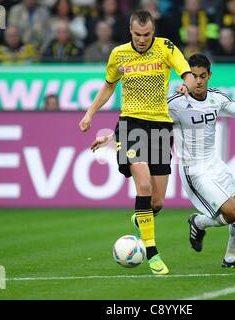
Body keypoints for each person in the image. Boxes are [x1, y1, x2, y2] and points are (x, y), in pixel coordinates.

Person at [90, 54, 235, 268]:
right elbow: (141, 120)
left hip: (216, 165)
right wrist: (110, 137)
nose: (198, 81)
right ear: (186, 77)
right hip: (194, 170)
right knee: (232, 213)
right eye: (193, 76)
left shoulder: (217, 98)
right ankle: (198, 221)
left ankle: (231, 258)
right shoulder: (175, 103)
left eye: (202, 76)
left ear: (209, 76)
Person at [79, 10, 196, 275]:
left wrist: (186, 85)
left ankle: (140, 218)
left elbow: (186, 72)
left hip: (160, 127)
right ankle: (152, 253)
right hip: (130, 124)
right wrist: (90, 114)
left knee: (157, 202)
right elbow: (109, 85)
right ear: (130, 31)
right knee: (142, 184)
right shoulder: (119, 54)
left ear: (152, 32)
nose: (142, 40)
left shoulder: (166, 47)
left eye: (146, 35)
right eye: (137, 35)